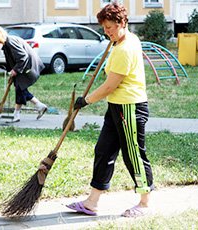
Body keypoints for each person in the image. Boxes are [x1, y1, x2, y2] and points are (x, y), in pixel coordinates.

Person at [66, 2, 154, 218]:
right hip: (116, 106)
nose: (107, 32)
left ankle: (144, 203)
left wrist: (86, 100)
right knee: (103, 150)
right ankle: (92, 202)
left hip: (130, 108)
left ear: (122, 22)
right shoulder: (121, 40)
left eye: (110, 28)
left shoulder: (125, 48)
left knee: (133, 155)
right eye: (104, 29)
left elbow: (109, 86)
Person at [0, 25, 47, 122]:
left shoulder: (11, 42)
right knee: (20, 88)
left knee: (20, 88)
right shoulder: (6, 44)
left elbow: (23, 57)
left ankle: (18, 114)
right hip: (23, 67)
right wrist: (10, 71)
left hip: (29, 66)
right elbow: (11, 60)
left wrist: (15, 70)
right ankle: (39, 106)